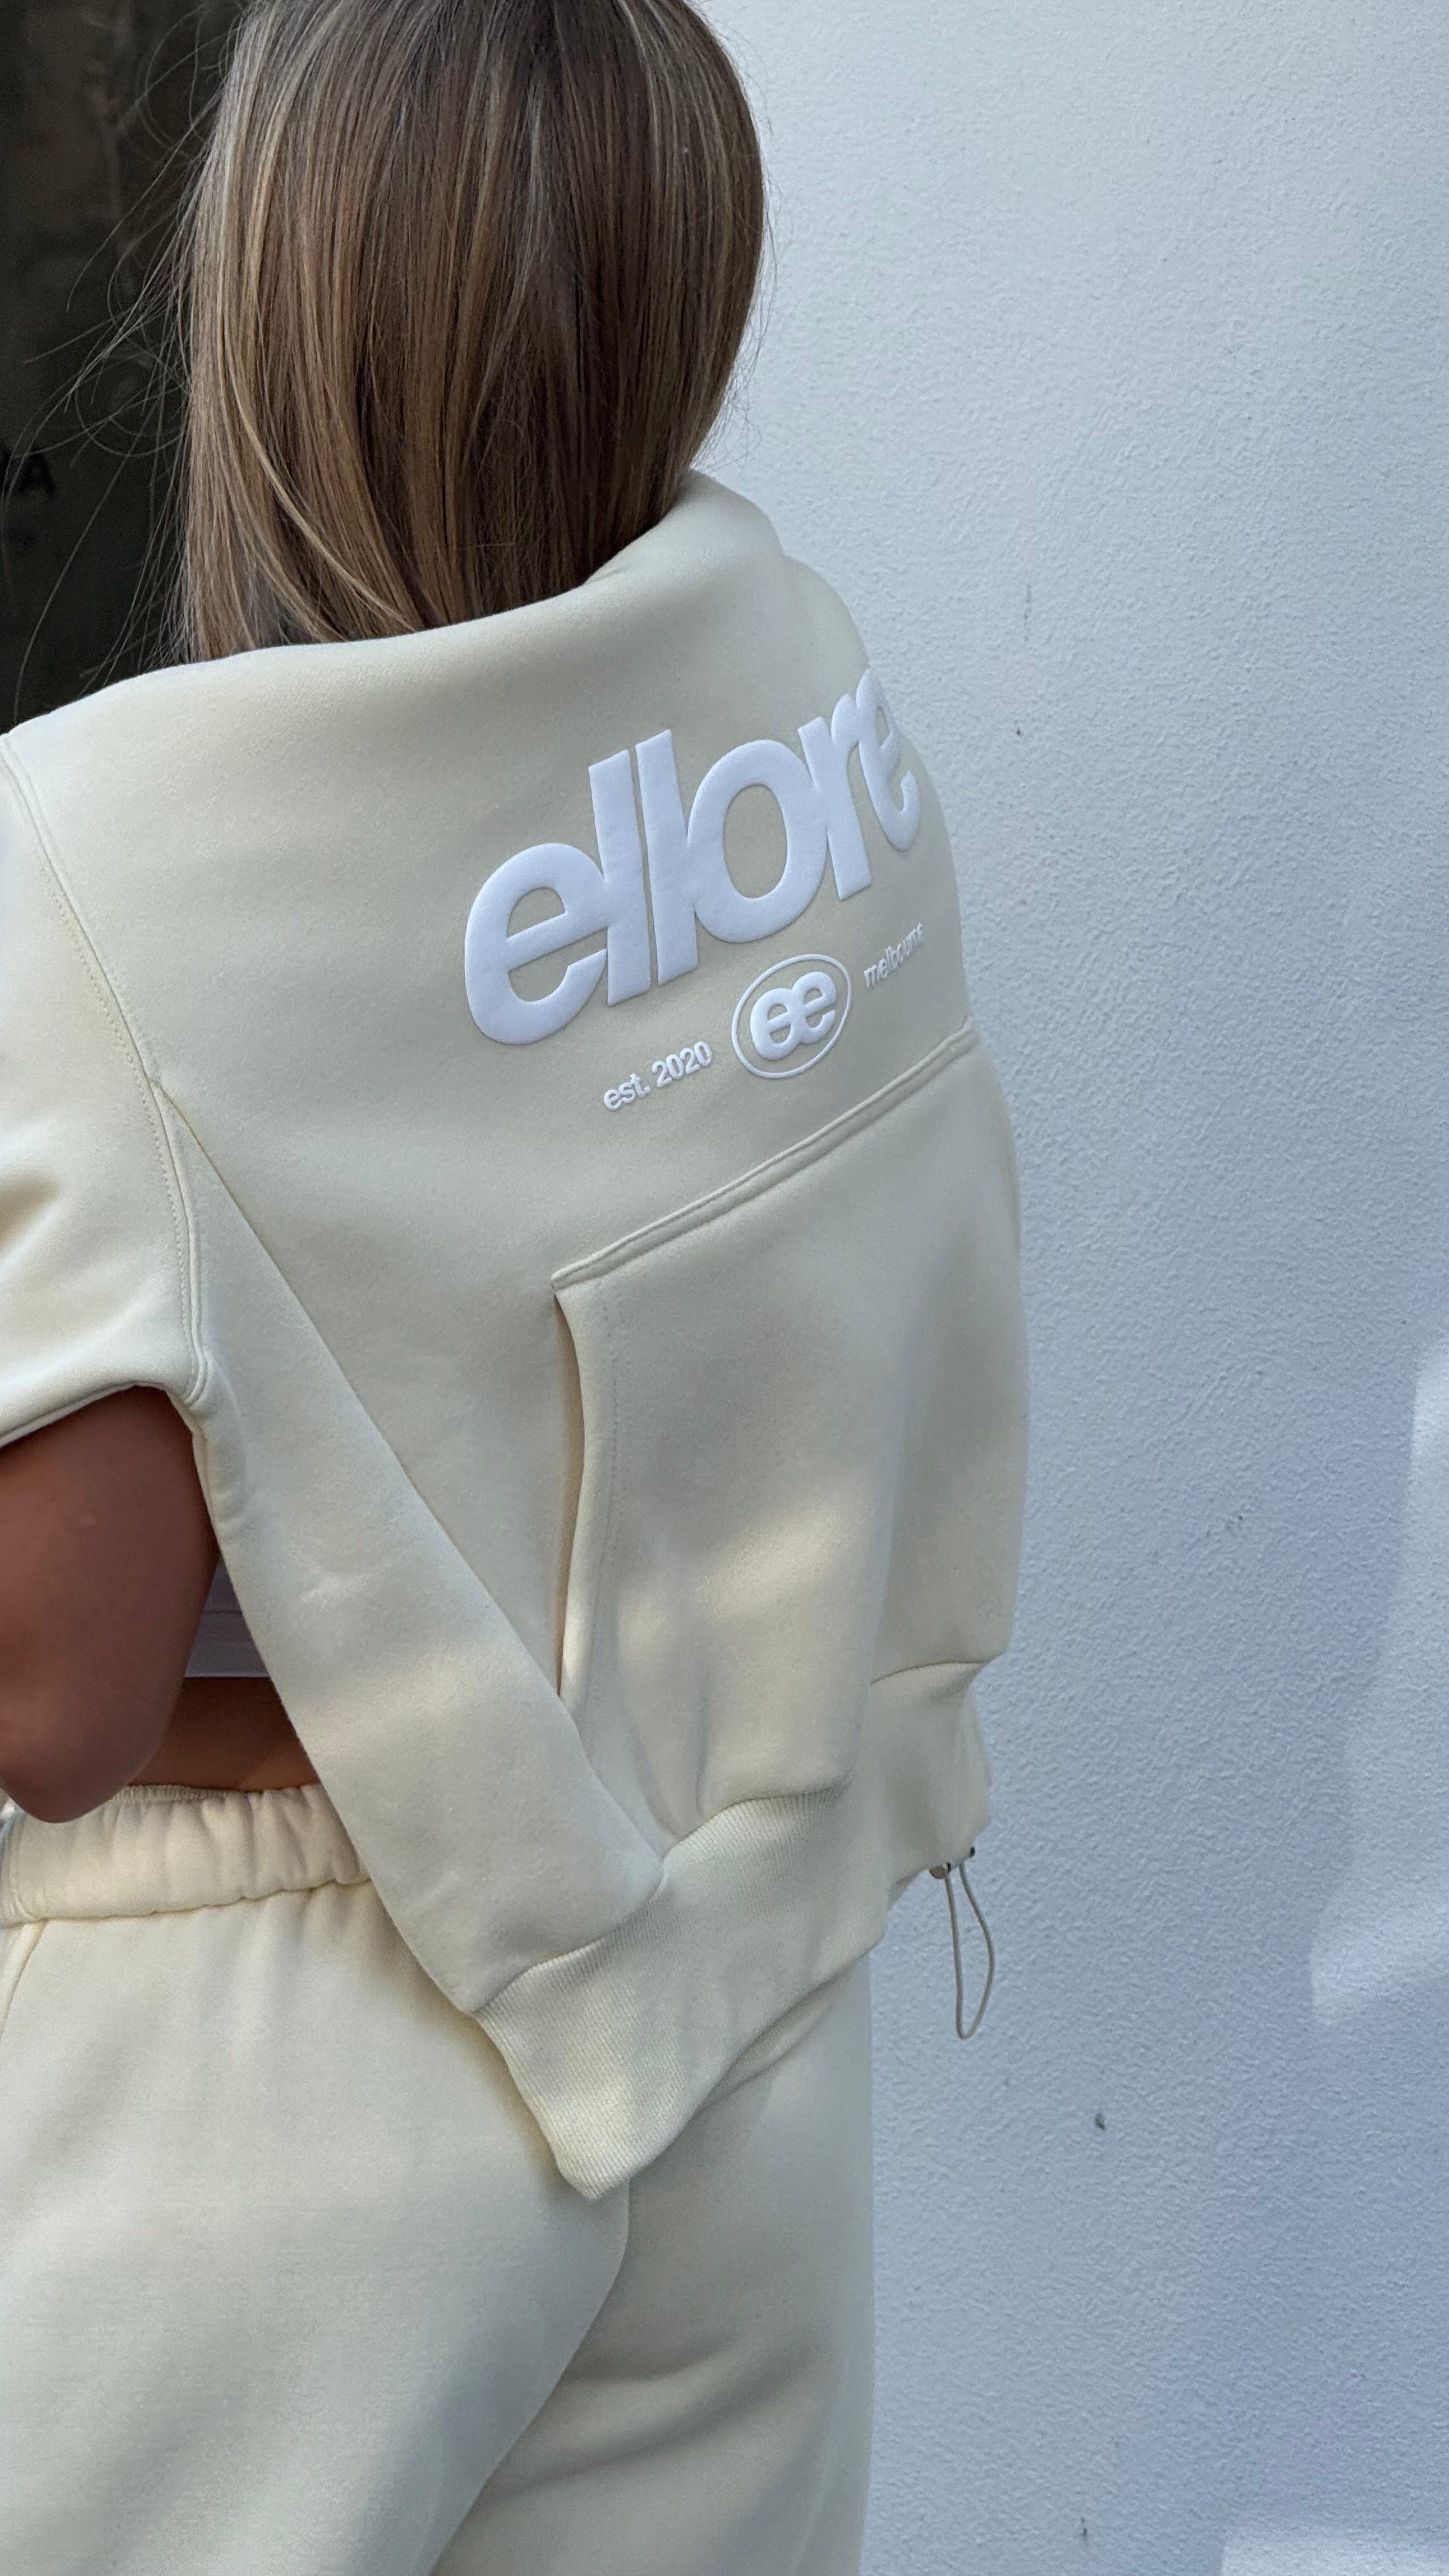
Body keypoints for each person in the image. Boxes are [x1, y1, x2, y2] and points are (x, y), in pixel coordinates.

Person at [0, 1, 1030, 2567]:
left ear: (269, 296)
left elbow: (56, 1690)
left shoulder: (104, 862)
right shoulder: (801, 707)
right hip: (751, 2007)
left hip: (267, 2098)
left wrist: (349, 1743)